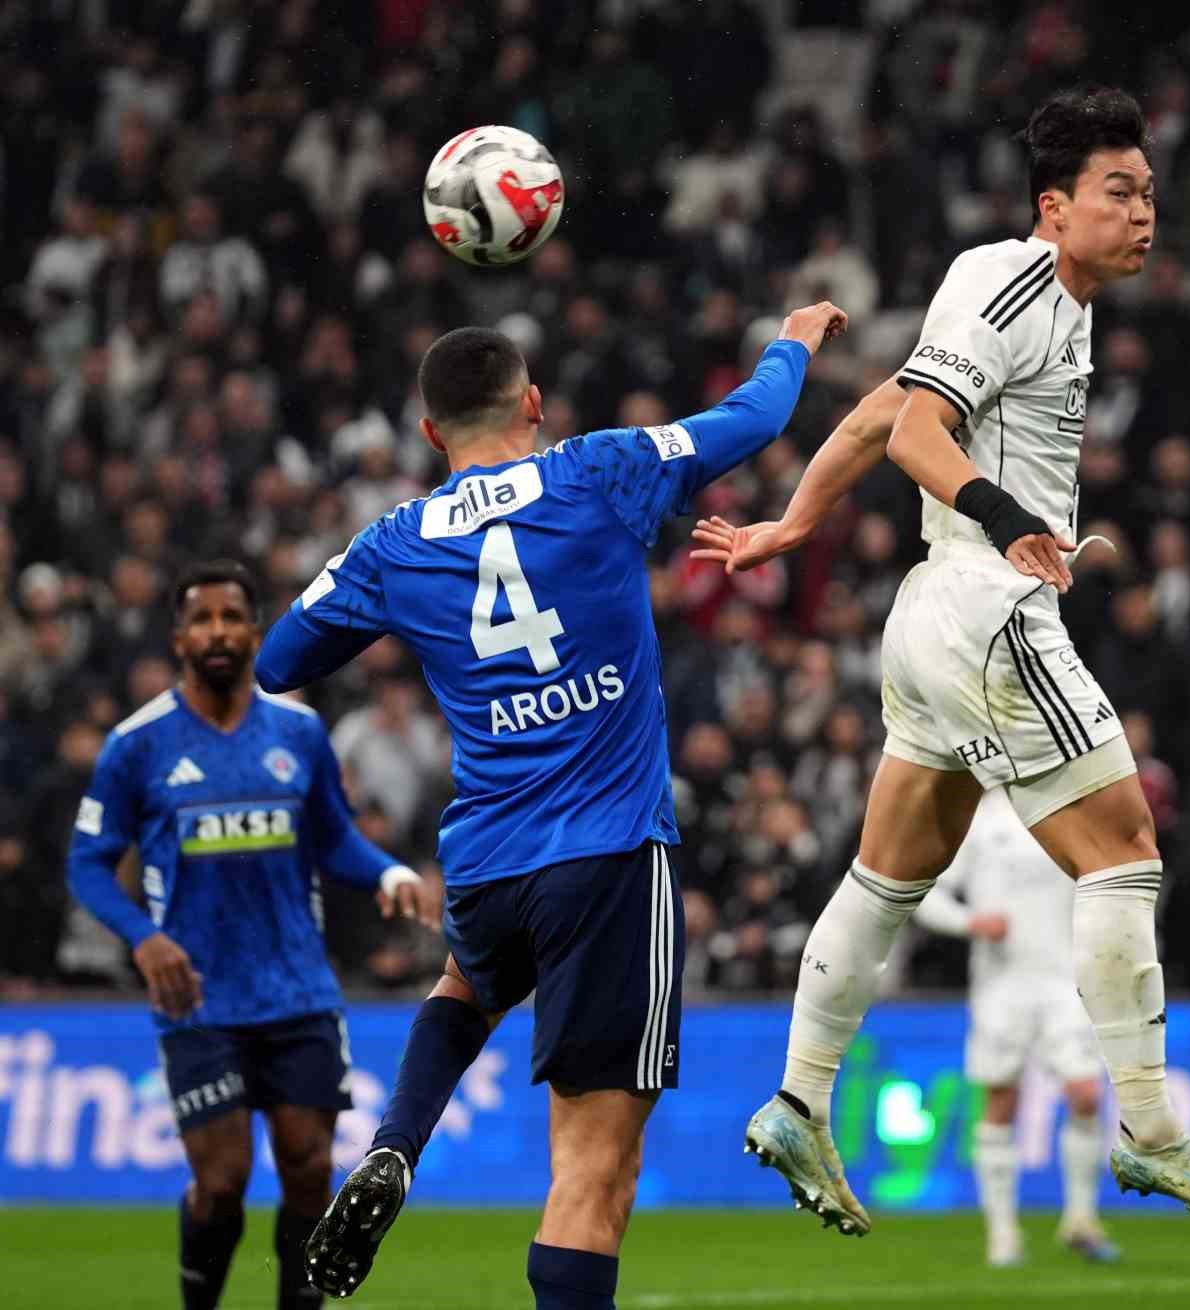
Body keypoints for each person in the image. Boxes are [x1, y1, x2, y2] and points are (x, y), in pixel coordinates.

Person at [693, 85, 1190, 1231]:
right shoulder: (1009, 278)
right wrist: (1007, 519)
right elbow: (919, 433)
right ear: (1054, 206)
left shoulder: (1054, 304)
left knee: (888, 874)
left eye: (1149, 193)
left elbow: (876, 414)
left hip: (936, 617)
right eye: (1118, 192)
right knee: (1124, 851)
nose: (1143, 213)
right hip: (986, 603)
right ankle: (1150, 1128)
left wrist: (794, 523)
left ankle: (798, 1098)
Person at [253, 301, 847, 1308]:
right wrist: (793, 338)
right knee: (593, 1174)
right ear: (533, 403)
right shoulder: (599, 469)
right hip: (610, 856)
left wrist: (390, 605)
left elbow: (277, 660)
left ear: (430, 432)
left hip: (487, 860)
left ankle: (397, 1141)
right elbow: (753, 418)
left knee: (467, 982)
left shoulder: (394, 541)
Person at [65, 559, 432, 1310]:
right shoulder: (139, 744)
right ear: (178, 638)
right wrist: (142, 937)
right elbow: (87, 863)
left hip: (298, 990)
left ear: (256, 632)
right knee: (222, 1179)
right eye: (201, 619)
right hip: (198, 997)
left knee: (309, 1169)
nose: (218, 632)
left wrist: (389, 871)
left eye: (231, 617)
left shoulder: (299, 732)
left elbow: (334, 838)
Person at [912, 789, 1120, 1267]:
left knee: (1087, 1093)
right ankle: (1002, 1233)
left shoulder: (1069, 807)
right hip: (1001, 984)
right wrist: (970, 921)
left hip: (1066, 978)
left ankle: (1081, 1219)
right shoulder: (978, 820)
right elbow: (925, 891)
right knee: (1002, 1100)